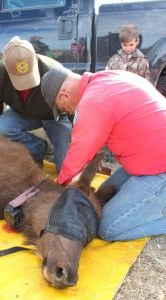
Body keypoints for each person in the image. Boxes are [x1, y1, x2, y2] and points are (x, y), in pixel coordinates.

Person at [41, 67, 166, 242]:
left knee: (107, 228)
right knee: (105, 196)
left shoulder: (93, 102)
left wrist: (57, 188)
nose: (68, 112)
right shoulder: (108, 77)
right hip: (150, 159)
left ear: (64, 95)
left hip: (160, 169)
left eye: (63, 109)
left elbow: (77, 156)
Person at [0, 36, 72, 171]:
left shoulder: (56, 71)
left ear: (36, 58)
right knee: (0, 129)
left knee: (67, 168)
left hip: (54, 114)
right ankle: (39, 148)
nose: (24, 86)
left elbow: (75, 107)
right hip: (24, 113)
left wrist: (81, 139)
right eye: (18, 79)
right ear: (5, 65)